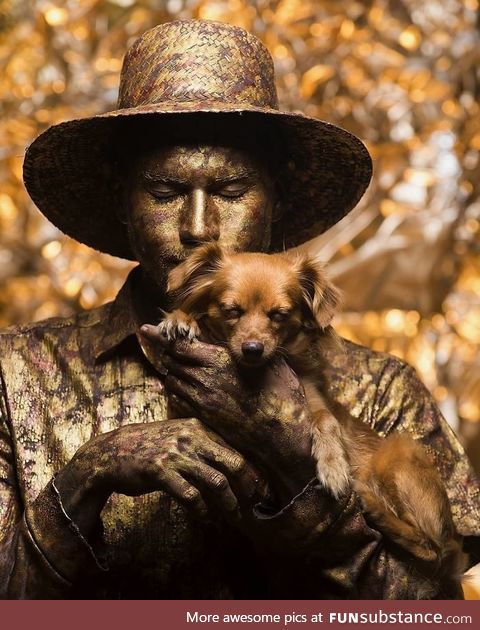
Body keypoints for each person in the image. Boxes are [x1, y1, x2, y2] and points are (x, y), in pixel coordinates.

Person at [0, 19, 479, 600]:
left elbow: (439, 603)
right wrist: (88, 474)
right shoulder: (16, 372)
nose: (197, 226)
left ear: (276, 202)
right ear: (121, 203)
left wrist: (295, 461)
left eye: (230, 193)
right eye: (164, 192)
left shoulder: (382, 390)